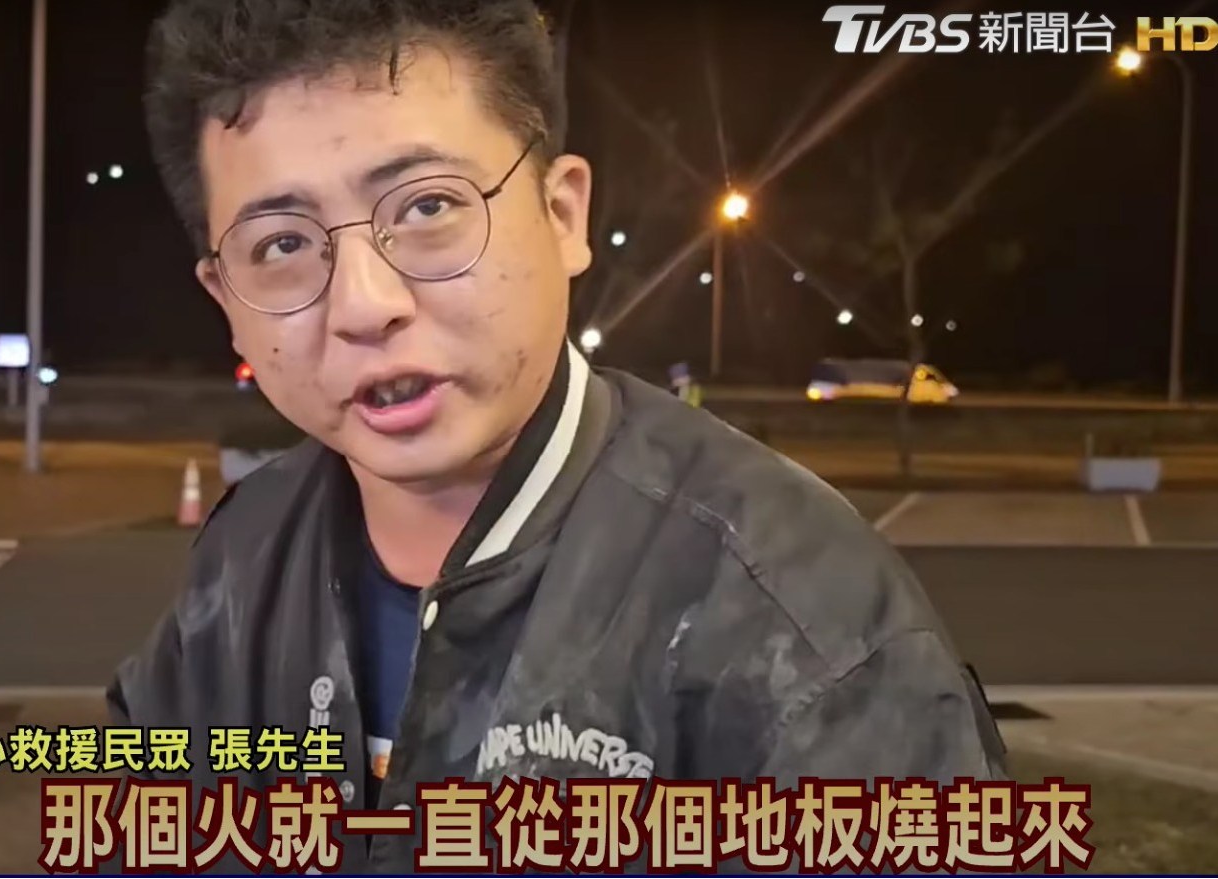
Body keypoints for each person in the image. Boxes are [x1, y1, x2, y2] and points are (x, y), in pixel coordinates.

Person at [110, 0, 1006, 869]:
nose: (363, 304)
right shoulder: (241, 559)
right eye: (281, 244)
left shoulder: (804, 630)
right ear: (223, 298)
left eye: (426, 207)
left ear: (563, 214)